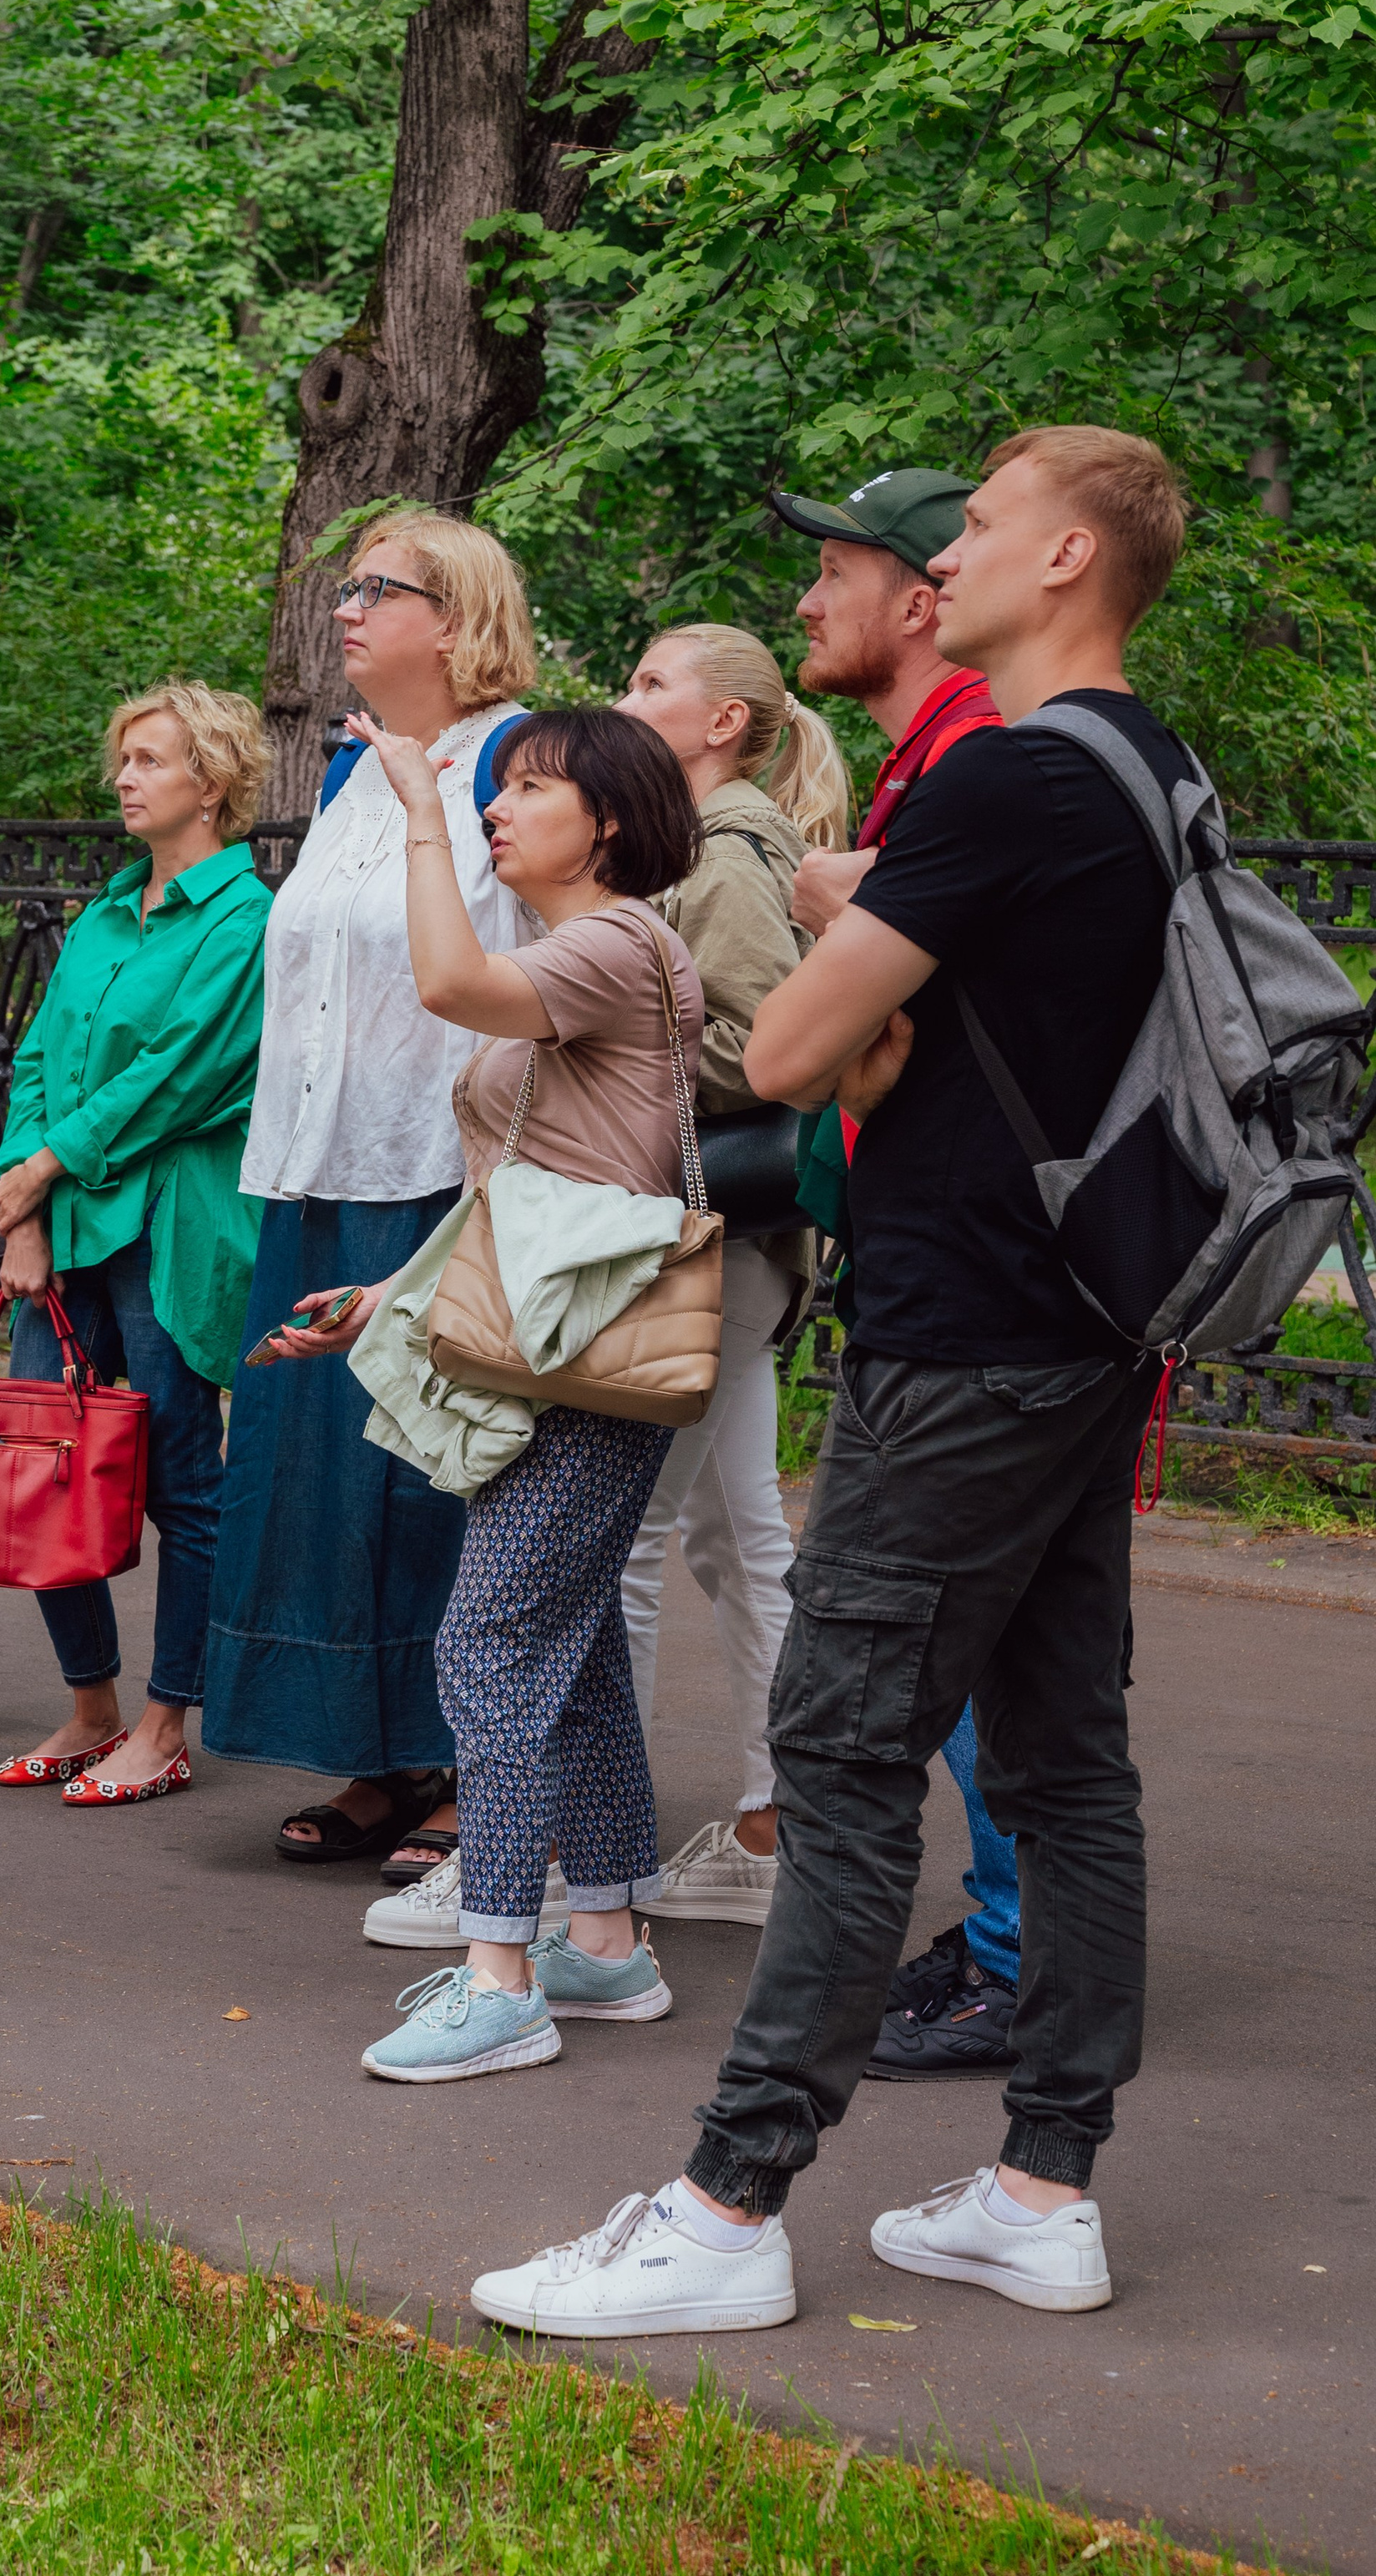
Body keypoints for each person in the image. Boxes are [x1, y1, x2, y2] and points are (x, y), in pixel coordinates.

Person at [472, 424, 1192, 2336]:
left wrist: (832, 922)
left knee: (844, 1748)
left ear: (1066, 558)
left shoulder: (1010, 774)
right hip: (1087, 1322)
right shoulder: (1154, 771)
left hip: (955, 1335)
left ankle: (725, 2204)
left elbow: (788, 1053)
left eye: (977, 526)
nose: (943, 559)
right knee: (1062, 1758)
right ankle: (1042, 2186)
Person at [270, 708, 708, 2079]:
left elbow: (445, 982)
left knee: (490, 1645)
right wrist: (393, 1295)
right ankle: (609, 1942)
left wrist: (416, 804)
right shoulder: (582, 955)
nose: (495, 810)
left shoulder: (617, 943)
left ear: (611, 820)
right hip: (547, 1337)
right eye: (491, 789)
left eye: (529, 789)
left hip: (588, 1355)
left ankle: (502, 1971)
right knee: (572, 1652)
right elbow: (517, 1190)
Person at [203, 510, 537, 1866]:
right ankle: (379, 1756)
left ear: (455, 620)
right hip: (318, 1168)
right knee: (324, 1478)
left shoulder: (518, 759)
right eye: (343, 589)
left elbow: (557, 953)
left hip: (437, 1169)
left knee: (429, 1476)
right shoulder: (352, 769)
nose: (343, 610)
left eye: (375, 589)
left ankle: (468, 1760)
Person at [776, 465, 1024, 2070]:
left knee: (938, 1643)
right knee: (995, 1646)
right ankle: (1012, 1937)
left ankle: (1016, 1955)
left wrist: (842, 911)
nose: (808, 599)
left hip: (978, 1291)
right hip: (942, 1266)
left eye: (837, 571)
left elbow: (831, 1048)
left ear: (924, 596)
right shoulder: (923, 760)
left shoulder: (980, 758)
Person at [0, 682, 272, 1806]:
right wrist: (23, 1207)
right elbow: (37, 1059)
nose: (126, 777)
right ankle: (92, 1705)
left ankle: (165, 1722)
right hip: (64, 1228)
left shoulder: (243, 916)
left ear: (212, 780)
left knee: (181, 1481)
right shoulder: (106, 911)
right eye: (125, 758)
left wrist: (49, 1164)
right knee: (41, 1467)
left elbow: (184, 1073)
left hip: (169, 1225)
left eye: (151, 759)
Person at [610, 625, 850, 1924]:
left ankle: (579, 1856)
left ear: (723, 724)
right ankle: (775, 1823)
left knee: (625, 1535)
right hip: (727, 1236)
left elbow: (770, 1048)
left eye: (654, 681)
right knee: (730, 1527)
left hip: (707, 1232)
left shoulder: (725, 849)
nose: (624, 695)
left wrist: (598, 1035)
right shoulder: (706, 846)